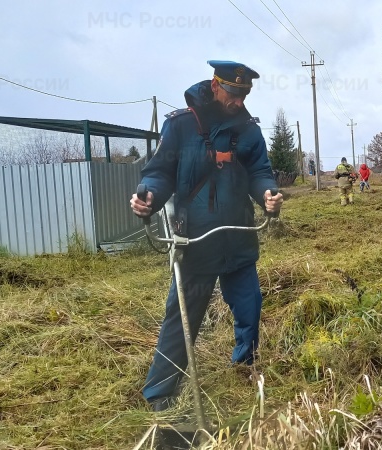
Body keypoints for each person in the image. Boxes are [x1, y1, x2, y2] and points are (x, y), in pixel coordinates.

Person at [129, 60, 284, 412]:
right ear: (215, 86)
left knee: (250, 307)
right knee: (182, 317)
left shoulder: (248, 130)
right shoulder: (181, 126)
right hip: (195, 242)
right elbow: (159, 173)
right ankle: (161, 394)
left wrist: (268, 195)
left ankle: (245, 366)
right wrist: (148, 198)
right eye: (234, 93)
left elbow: (260, 172)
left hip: (239, 236)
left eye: (245, 94)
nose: (240, 101)